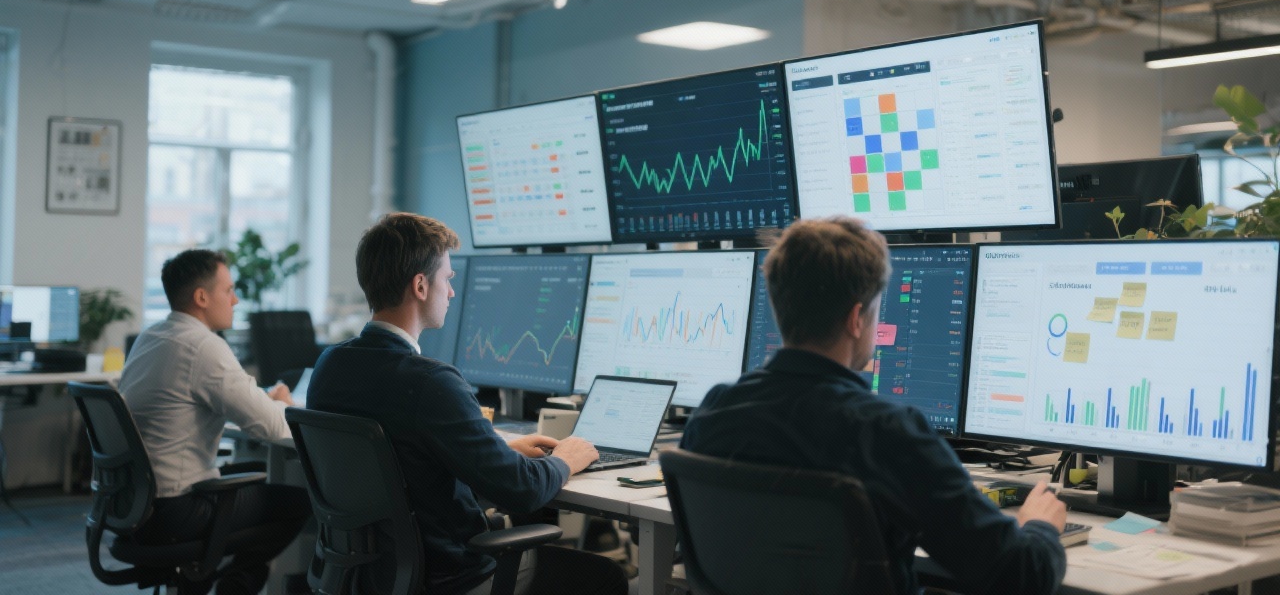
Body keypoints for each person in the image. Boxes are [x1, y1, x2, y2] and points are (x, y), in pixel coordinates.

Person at [681, 217, 1067, 595]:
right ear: (855, 318)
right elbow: (1020, 577)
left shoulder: (714, 412)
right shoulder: (885, 433)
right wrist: (1039, 527)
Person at [308, 213, 626, 595]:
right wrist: (568, 457)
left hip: (363, 574)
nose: (453, 292)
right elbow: (521, 489)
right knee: (607, 577)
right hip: (447, 578)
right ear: (421, 285)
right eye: (448, 279)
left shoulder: (330, 366)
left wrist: (498, 448)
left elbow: (400, 457)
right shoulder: (430, 382)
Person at [119, 249, 311, 595]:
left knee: (258, 470)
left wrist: (263, 402)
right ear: (202, 297)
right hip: (176, 510)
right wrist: (284, 404)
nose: (236, 300)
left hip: (133, 505)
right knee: (298, 502)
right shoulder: (202, 346)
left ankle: (206, 578)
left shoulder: (152, 337)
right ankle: (231, 586)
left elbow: (226, 397)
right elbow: (271, 427)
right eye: (229, 290)